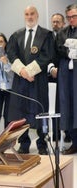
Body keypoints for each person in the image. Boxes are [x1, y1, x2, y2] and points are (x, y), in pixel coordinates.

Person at [6, 6, 54, 155]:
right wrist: (23, 71)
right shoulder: (16, 35)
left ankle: (42, 144)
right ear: (24, 16)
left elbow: (47, 55)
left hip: (38, 80)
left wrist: (30, 71)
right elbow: (11, 54)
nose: (29, 16)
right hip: (20, 81)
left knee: (40, 110)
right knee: (20, 112)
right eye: (26, 14)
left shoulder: (46, 35)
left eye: (32, 13)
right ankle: (24, 144)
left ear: (37, 15)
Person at [55, 4, 77, 155]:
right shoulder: (62, 32)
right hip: (66, 75)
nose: (71, 20)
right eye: (68, 17)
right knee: (68, 106)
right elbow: (58, 49)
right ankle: (75, 143)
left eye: (74, 16)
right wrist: (69, 51)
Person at [48, 13, 71, 142]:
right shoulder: (47, 37)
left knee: (67, 104)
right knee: (55, 107)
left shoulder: (68, 35)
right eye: (53, 22)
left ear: (63, 23)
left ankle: (68, 133)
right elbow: (47, 56)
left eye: (58, 22)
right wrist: (51, 68)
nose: (55, 24)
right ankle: (56, 134)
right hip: (52, 76)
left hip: (66, 76)